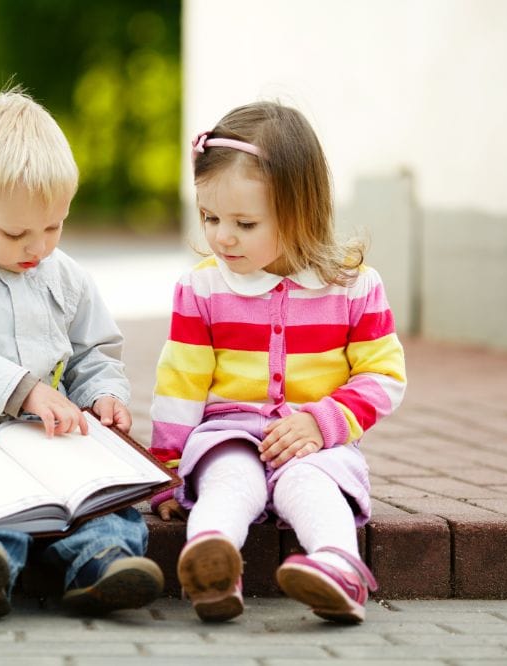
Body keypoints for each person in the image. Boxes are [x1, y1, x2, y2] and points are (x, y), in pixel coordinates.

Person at [0, 88, 163, 620]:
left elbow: (94, 351)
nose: (36, 247)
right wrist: (25, 390)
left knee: (102, 498)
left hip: (45, 442)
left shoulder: (65, 277)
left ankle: (105, 562)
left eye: (53, 227)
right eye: (16, 232)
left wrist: (104, 394)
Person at [149, 101, 406, 624]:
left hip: (316, 440)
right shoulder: (202, 288)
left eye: (244, 223)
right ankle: (213, 567)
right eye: (210, 217)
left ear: (301, 212)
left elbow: (384, 375)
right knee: (227, 482)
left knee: (310, 485)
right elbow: (180, 382)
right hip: (230, 434)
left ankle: (339, 567)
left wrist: (322, 421)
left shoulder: (355, 287)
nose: (222, 236)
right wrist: (169, 470)